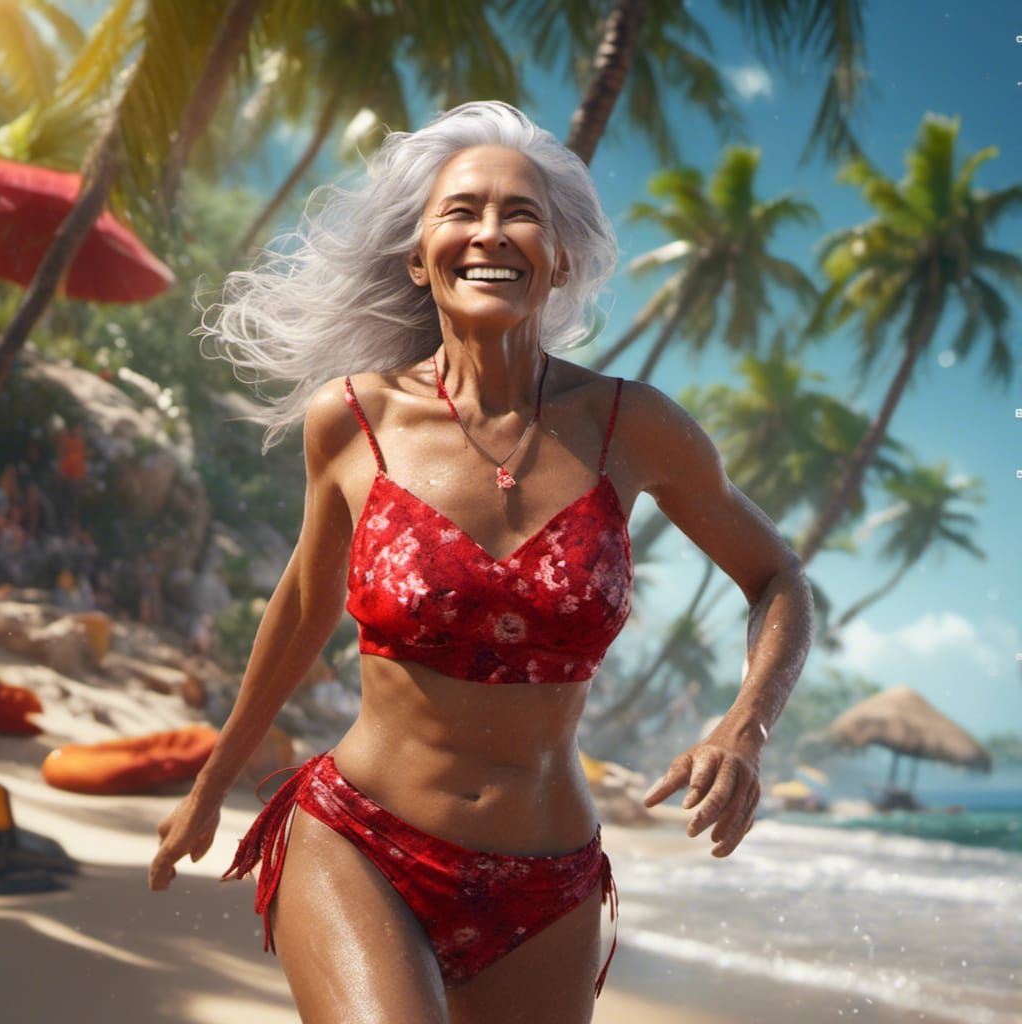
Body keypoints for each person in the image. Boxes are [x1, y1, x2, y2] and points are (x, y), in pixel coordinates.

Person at [149, 101, 814, 1023]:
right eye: (460, 211)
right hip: (363, 842)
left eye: (523, 213)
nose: (490, 233)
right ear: (419, 258)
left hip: (550, 888)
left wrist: (748, 726)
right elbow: (303, 604)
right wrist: (212, 783)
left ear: (562, 259)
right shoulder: (354, 420)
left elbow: (780, 578)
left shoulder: (634, 426)